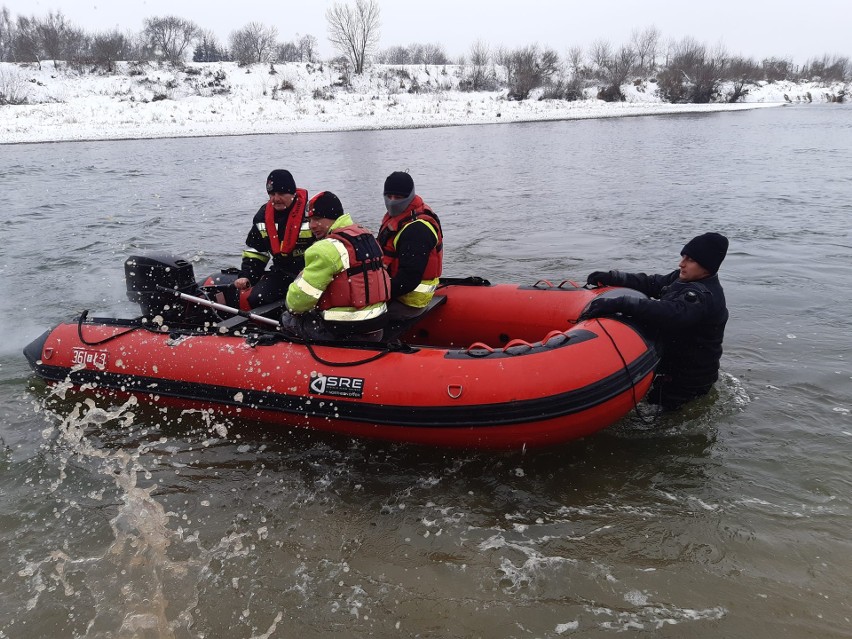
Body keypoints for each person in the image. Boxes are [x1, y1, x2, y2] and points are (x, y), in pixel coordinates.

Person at [580, 232, 729, 410]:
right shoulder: (682, 278)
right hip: (671, 370)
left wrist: (622, 303)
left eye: (690, 260)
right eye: (683, 257)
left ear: (707, 266)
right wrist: (614, 277)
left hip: (688, 383)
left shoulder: (701, 296)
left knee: (662, 418)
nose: (681, 263)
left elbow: (670, 313)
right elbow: (652, 283)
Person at [280, 191, 391, 341]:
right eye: (309, 220)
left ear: (333, 218)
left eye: (317, 219)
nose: (312, 225)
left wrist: (297, 286)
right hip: (376, 326)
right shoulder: (367, 235)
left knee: (287, 318)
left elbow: (297, 303)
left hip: (345, 331)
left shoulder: (325, 249)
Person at [232, 169, 313, 310]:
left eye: (281, 194)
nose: (276, 199)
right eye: (272, 194)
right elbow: (256, 252)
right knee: (257, 299)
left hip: (311, 272)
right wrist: (246, 276)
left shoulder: (312, 215)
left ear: (293, 193)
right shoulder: (262, 217)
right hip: (282, 271)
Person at [376, 171, 443, 320]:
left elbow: (408, 281)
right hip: (396, 290)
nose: (392, 202)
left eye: (398, 198)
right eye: (389, 196)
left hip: (409, 301)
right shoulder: (399, 218)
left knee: (354, 318)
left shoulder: (417, 230)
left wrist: (373, 294)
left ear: (410, 197)